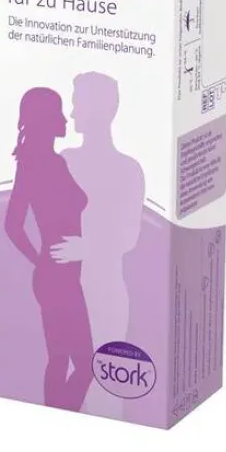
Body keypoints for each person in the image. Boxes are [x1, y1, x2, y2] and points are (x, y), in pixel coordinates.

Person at [51, 73, 145, 417]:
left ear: (103, 109)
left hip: (105, 294)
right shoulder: (65, 160)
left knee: (105, 392)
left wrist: (86, 248)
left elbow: (128, 236)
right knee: (67, 387)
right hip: (66, 292)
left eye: (78, 103)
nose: (73, 113)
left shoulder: (128, 170)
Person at [4, 87, 93, 412]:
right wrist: (42, 260)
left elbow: (13, 225)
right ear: (44, 119)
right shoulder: (45, 164)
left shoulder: (40, 163)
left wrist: (41, 261)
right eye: (58, 112)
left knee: (65, 360)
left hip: (59, 278)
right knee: (74, 362)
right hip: (57, 280)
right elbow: (12, 225)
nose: (65, 119)